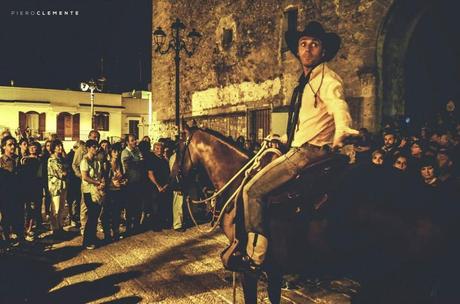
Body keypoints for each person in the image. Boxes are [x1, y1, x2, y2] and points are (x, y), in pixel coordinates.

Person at [241, 21, 358, 270]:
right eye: (303, 44)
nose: (307, 49)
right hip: (301, 145)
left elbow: (338, 104)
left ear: (323, 51)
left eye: (314, 44)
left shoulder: (328, 79)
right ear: (297, 50)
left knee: (251, 191)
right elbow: (308, 122)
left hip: (308, 154)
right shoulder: (306, 81)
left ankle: (254, 255)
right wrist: (284, 139)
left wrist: (344, 127)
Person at [72, 130, 100, 235]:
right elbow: (74, 164)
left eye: (97, 137)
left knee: (95, 205)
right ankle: (83, 226)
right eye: (93, 137)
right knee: (84, 205)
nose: (95, 139)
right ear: (89, 137)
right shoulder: (81, 149)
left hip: (95, 182)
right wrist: (82, 176)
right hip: (86, 181)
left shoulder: (98, 150)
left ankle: (94, 226)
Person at [80, 139, 104, 249]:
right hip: (88, 190)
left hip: (97, 190)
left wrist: (101, 182)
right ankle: (87, 241)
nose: (96, 149)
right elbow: (85, 177)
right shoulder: (84, 161)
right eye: (93, 147)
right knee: (92, 215)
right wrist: (97, 182)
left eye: (96, 147)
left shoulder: (96, 160)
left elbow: (99, 174)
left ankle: (92, 237)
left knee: (95, 215)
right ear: (88, 148)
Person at [47, 139, 68, 237]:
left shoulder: (61, 158)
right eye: (57, 146)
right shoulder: (52, 160)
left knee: (62, 208)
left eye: (61, 145)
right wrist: (65, 172)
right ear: (53, 148)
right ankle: (55, 228)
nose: (60, 148)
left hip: (62, 185)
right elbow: (61, 173)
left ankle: (60, 226)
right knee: (56, 208)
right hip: (55, 186)